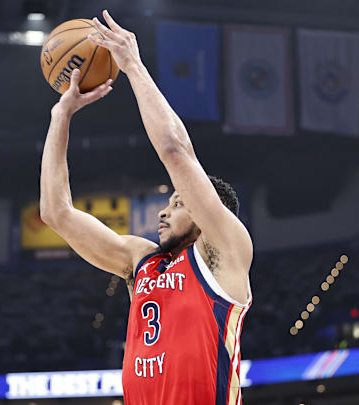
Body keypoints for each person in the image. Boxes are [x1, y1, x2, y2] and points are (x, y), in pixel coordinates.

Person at [39, 10, 253, 405]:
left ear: (209, 213)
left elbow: (175, 151)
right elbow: (57, 213)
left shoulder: (225, 250)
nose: (163, 211)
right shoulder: (142, 262)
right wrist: (61, 116)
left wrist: (132, 65)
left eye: (178, 202)